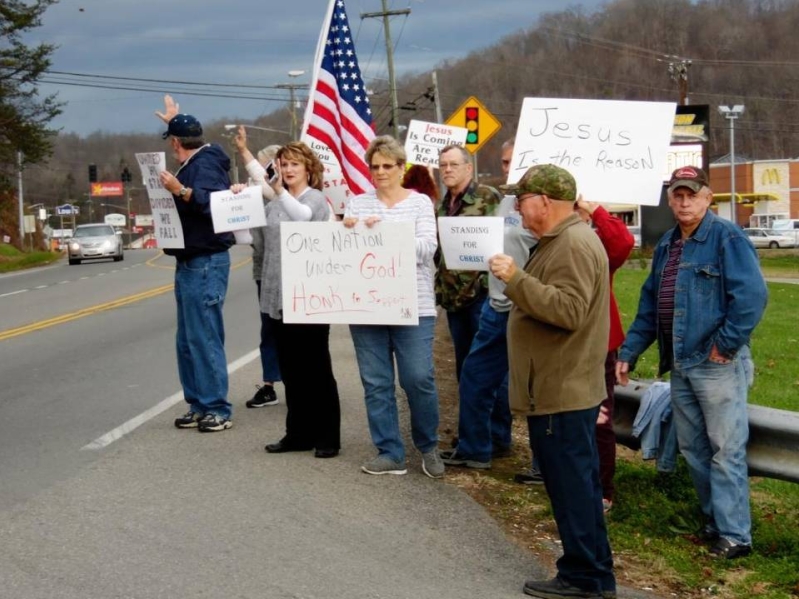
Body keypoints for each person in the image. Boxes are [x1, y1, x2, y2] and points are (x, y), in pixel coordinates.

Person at [617, 166, 768, 559]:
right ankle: (714, 523)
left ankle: (736, 535)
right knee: (695, 448)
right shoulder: (668, 244)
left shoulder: (726, 238)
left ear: (707, 198)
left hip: (716, 363)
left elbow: (751, 297)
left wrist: (726, 345)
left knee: (725, 449)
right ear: (670, 200)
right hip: (681, 363)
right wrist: (630, 351)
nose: (684, 202)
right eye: (678, 195)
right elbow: (650, 305)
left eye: (692, 195)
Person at [489, 164, 615, 599]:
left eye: (522, 199)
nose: (518, 207)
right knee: (574, 484)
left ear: (544, 201)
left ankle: (586, 578)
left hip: (561, 389)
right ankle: (589, 572)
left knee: (572, 487)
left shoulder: (574, 245)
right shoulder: (562, 240)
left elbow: (568, 311)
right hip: (559, 385)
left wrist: (515, 279)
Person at [344, 136, 443, 479]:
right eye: (375, 166)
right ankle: (390, 451)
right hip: (367, 303)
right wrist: (347, 234)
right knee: (376, 381)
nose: (381, 172)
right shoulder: (356, 204)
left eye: (388, 165)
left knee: (418, 377)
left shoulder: (419, 204)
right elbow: (346, 253)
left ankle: (428, 445)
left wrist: (383, 233)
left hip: (414, 304)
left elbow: (427, 248)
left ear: (402, 168)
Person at [440, 139, 537, 470]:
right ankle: (478, 446)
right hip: (496, 306)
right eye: (505, 162)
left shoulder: (536, 206)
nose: (508, 168)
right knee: (476, 375)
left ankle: (519, 453)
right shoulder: (506, 203)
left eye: (514, 162)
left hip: (525, 306)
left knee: (522, 383)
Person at [154, 95, 236, 433]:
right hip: (190, 259)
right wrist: (174, 120)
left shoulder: (206, 164)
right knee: (187, 338)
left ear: (176, 144)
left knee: (204, 337)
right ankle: (198, 403)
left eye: (173, 140)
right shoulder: (200, 160)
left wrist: (181, 190)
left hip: (205, 260)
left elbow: (215, 203)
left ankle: (217, 407)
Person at [259, 141, 341, 459]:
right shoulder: (273, 205)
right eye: (284, 164)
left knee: (316, 368)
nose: (289, 169)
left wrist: (278, 191)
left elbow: (304, 220)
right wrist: (238, 200)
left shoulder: (317, 201)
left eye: (294, 164)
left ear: (308, 168)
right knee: (291, 370)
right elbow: (253, 241)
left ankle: (327, 436)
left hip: (310, 296)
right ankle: (298, 433)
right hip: (278, 296)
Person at [574, 196, 634, 512]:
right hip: (563, 344)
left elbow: (623, 242)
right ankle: (570, 482)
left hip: (599, 343)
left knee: (598, 418)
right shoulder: (547, 239)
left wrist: (595, 209)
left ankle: (601, 491)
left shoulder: (598, 245)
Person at [435, 144, 502, 382]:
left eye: (453, 164)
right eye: (443, 165)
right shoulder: (443, 206)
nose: (447, 169)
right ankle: (468, 415)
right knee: (463, 363)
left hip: (480, 298)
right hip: (454, 300)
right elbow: (439, 251)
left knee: (485, 362)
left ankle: (492, 416)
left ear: (468, 168)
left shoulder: (487, 196)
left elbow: (503, 241)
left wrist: (485, 283)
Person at [231, 126, 282, 408]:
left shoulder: (286, 193)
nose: (266, 172)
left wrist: (243, 152)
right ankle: (269, 385)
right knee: (269, 330)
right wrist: (237, 194)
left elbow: (264, 182)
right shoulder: (257, 192)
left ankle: (302, 381)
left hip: (290, 269)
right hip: (263, 268)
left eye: (269, 167)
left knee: (292, 331)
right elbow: (239, 209)